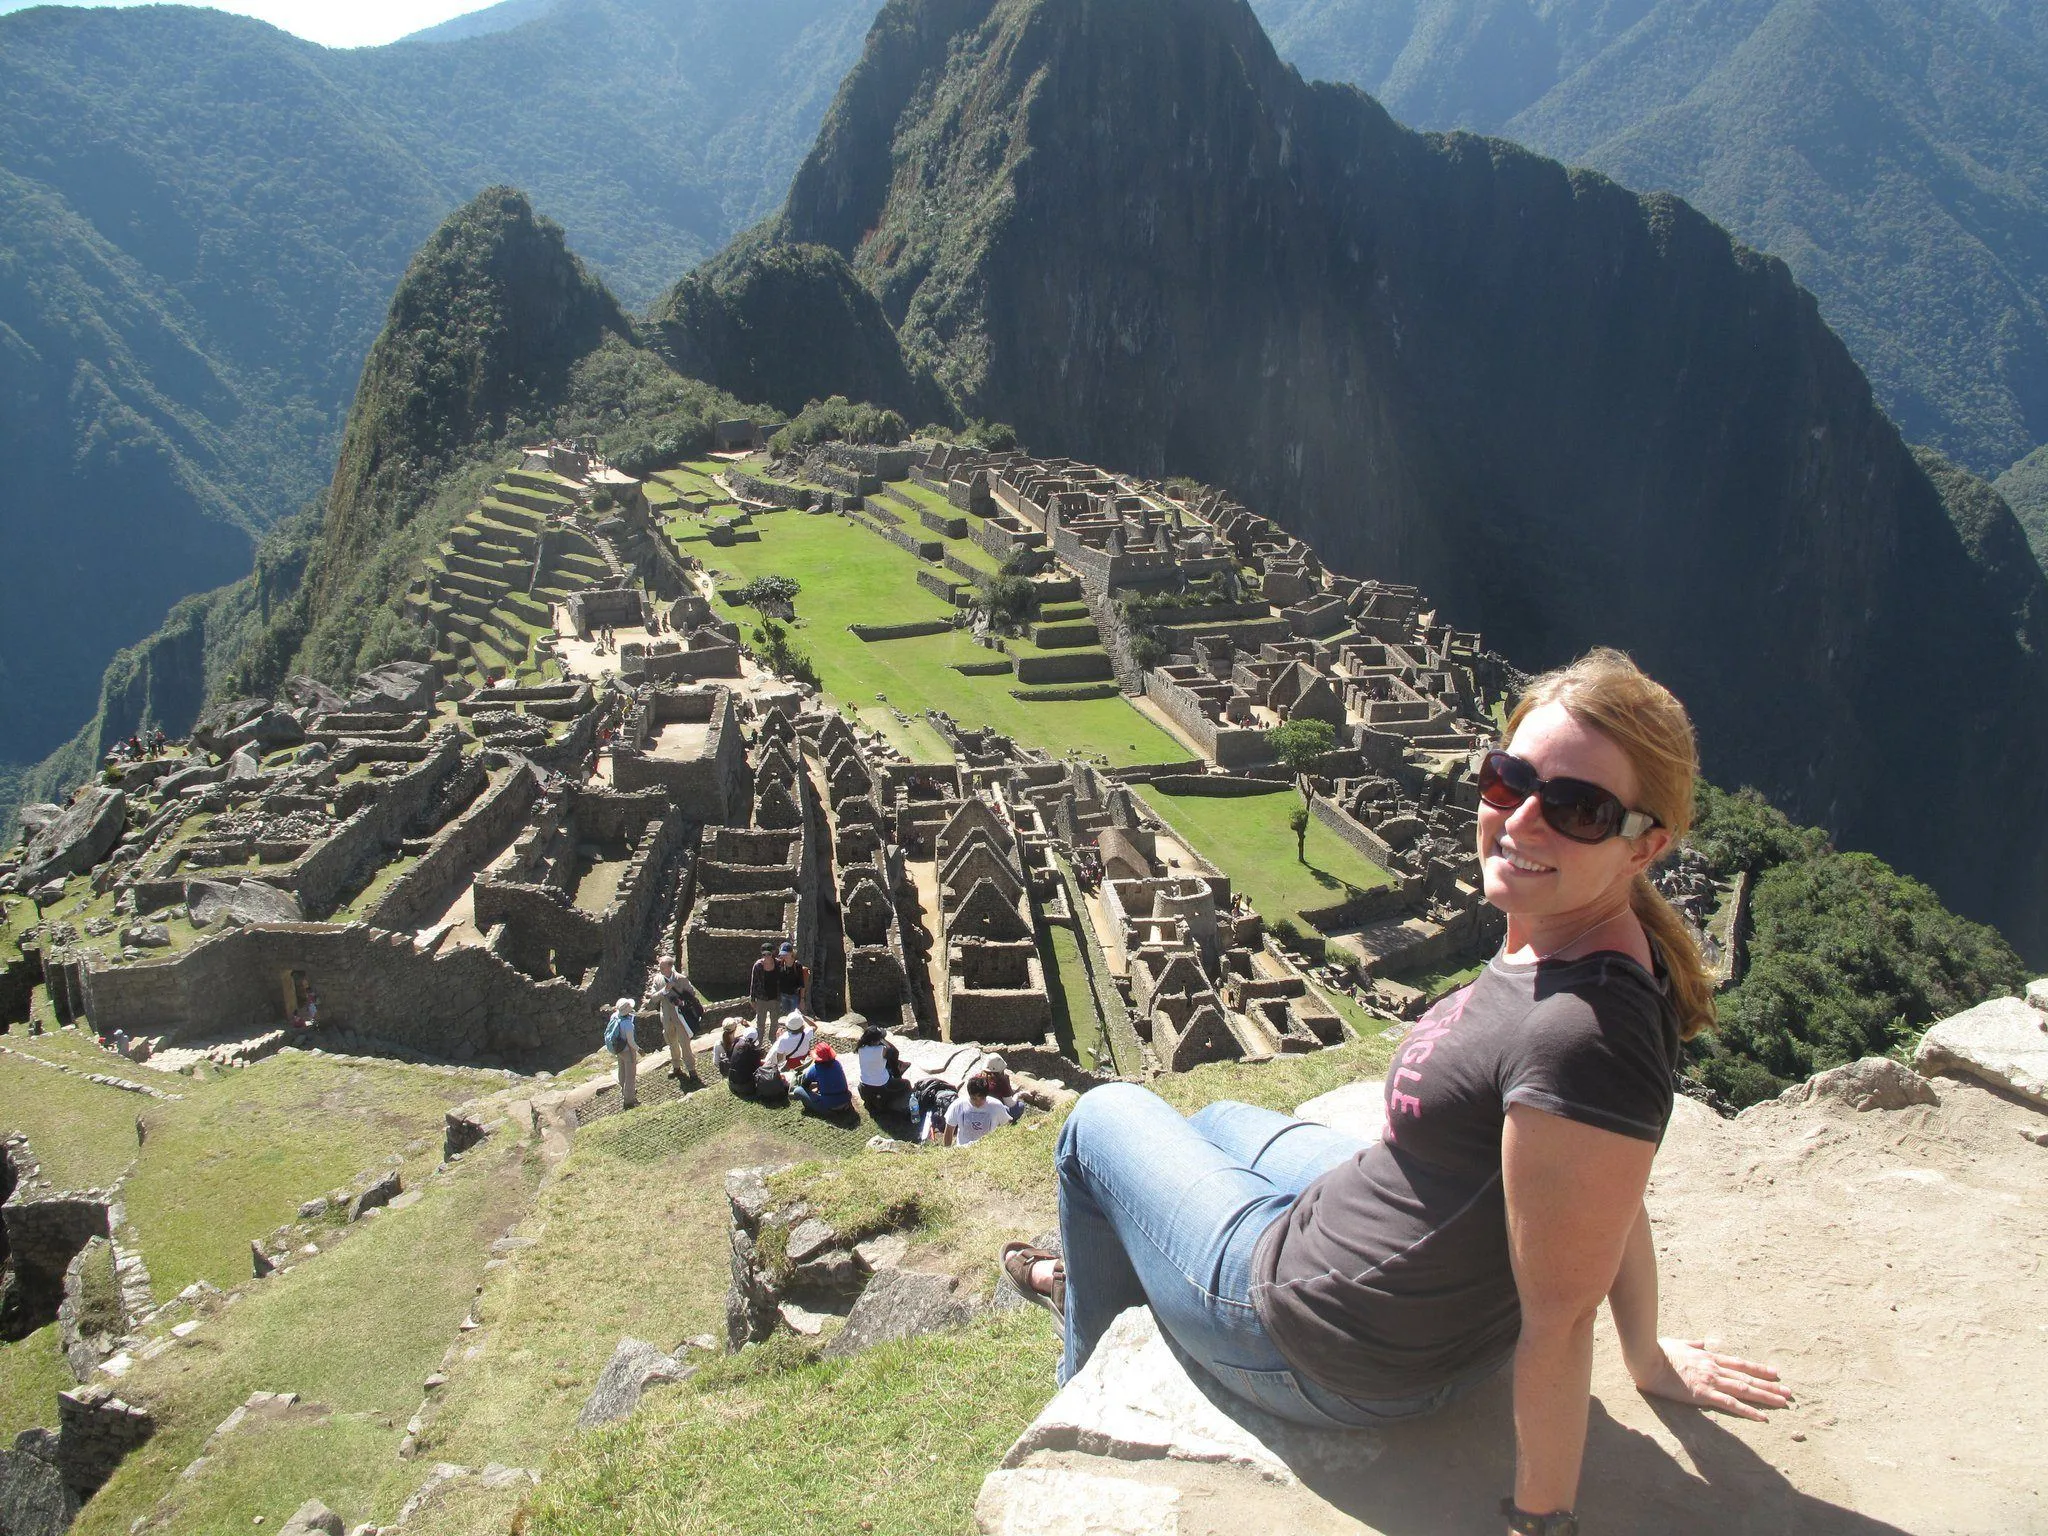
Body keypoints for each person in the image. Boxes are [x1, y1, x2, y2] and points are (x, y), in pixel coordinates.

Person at [1003, 649, 1790, 1536]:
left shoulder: (1582, 1033)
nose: (1523, 820)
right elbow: (1606, 1189)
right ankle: (1143, 1264)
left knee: (1101, 1119)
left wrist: (1541, 1523)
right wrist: (1646, 1358)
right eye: (1508, 781)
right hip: (1406, 1276)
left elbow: (1563, 1321)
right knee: (1218, 1120)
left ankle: (1082, 1366)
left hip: (1321, 1343)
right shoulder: (1571, 942)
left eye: (1578, 810)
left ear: (1645, 843)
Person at [648, 956, 704, 1088]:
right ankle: (676, 1066)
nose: (660, 969)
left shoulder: (681, 979)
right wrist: (664, 991)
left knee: (685, 1044)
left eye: (662, 966)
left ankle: (691, 1070)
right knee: (671, 1043)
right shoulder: (657, 979)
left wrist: (681, 1002)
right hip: (666, 1018)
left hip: (681, 1018)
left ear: (670, 967)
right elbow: (653, 998)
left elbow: (692, 994)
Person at [855, 1024, 910, 1119]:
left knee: (885, 1066)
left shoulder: (860, 1049)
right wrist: (882, 1040)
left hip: (864, 1087)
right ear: (875, 1041)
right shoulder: (882, 1050)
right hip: (882, 1087)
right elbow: (894, 1051)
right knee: (906, 1083)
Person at [943, 1075, 1010, 1147]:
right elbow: (949, 1129)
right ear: (969, 1095)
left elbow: (1006, 1126)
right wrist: (947, 1149)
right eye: (974, 1098)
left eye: (982, 1098)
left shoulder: (996, 1106)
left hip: (988, 1148)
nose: (978, 1103)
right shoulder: (958, 1105)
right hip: (963, 1149)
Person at [793, 1042, 853, 1115]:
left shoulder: (815, 1069)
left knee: (798, 1090)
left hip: (829, 1107)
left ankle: (821, 1110)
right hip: (846, 1102)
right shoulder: (837, 1064)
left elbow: (805, 1085)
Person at [602, 996, 640, 1110]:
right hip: (628, 1051)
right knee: (630, 1076)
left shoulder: (614, 1016)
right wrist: (639, 1050)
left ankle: (624, 1090)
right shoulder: (628, 1024)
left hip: (619, 1049)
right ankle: (629, 1100)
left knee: (622, 1071)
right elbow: (631, 1042)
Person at [980, 1053, 1026, 1122]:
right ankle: (1007, 1121)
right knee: (1020, 1105)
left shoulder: (977, 1077)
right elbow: (1010, 1104)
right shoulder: (1001, 1081)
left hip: (980, 1110)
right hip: (995, 1112)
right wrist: (1018, 1095)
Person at [722, 1020, 765, 1097]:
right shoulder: (754, 1052)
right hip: (746, 1087)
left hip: (731, 1083)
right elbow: (757, 1069)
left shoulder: (735, 1043)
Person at [765, 1009, 815, 1073]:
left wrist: (778, 1039)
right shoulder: (807, 1033)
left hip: (790, 1066)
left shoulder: (783, 1039)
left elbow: (780, 1059)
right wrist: (802, 1016)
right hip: (804, 1062)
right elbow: (814, 1026)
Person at [748, 943, 780, 1037]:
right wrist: (752, 999)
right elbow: (753, 982)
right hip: (761, 998)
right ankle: (759, 1039)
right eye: (764, 954)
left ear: (773, 953)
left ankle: (773, 1038)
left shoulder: (778, 964)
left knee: (775, 1021)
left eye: (768, 954)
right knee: (760, 1022)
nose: (766, 956)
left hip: (775, 998)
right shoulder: (758, 966)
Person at [773, 941, 809, 1018]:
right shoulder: (780, 963)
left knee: (795, 1017)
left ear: (791, 953)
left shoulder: (797, 965)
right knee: (786, 1017)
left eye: (786, 954)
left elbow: (802, 984)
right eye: (783, 954)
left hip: (794, 996)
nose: (784, 956)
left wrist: (802, 1000)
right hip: (783, 995)